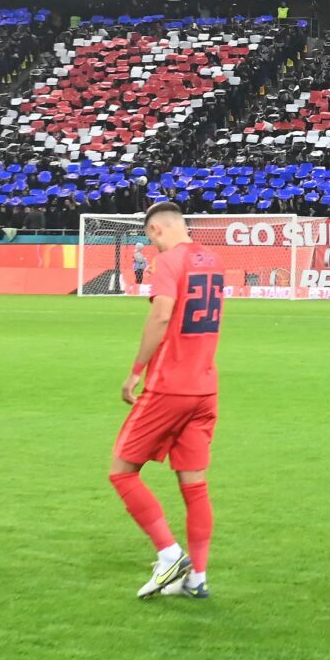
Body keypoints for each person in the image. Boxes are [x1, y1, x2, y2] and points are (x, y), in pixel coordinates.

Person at [109, 201, 226, 600]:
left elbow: (161, 316)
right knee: (194, 485)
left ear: (157, 230)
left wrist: (135, 371)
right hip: (205, 387)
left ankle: (169, 553)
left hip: (169, 385)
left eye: (149, 238)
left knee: (121, 471)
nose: (151, 246)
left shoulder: (169, 263)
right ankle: (198, 578)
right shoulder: (212, 260)